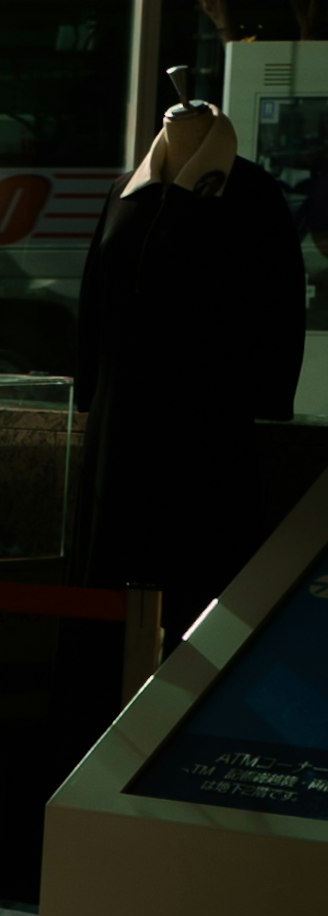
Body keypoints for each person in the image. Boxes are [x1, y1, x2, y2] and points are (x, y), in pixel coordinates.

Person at [76, 96, 310, 627]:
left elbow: (278, 304)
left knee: (195, 578)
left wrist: (270, 397)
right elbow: (93, 301)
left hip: (205, 426)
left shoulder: (250, 194)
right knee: (113, 586)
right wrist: (88, 388)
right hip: (117, 430)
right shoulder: (124, 192)